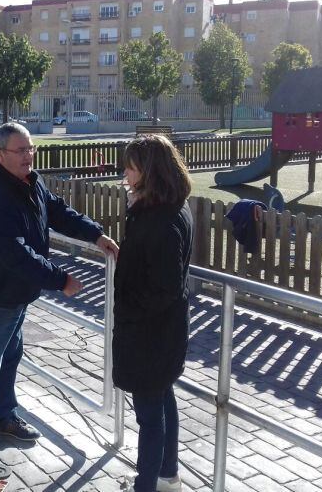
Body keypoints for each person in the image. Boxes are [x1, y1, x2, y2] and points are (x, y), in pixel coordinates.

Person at [0, 122, 119, 465]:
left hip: (16, 294)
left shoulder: (31, 181)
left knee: (10, 355)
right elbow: (14, 253)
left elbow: (57, 211)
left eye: (32, 148)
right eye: (21, 150)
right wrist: (60, 279)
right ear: (0, 154)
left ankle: (4, 417)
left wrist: (95, 235)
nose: (29, 156)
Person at [112, 135, 193, 492]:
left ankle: (146, 485)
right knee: (162, 398)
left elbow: (164, 286)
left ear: (150, 172)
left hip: (151, 334)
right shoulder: (166, 207)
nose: (125, 174)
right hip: (162, 330)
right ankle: (167, 476)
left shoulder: (160, 220)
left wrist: (128, 307)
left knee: (149, 414)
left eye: (131, 168)